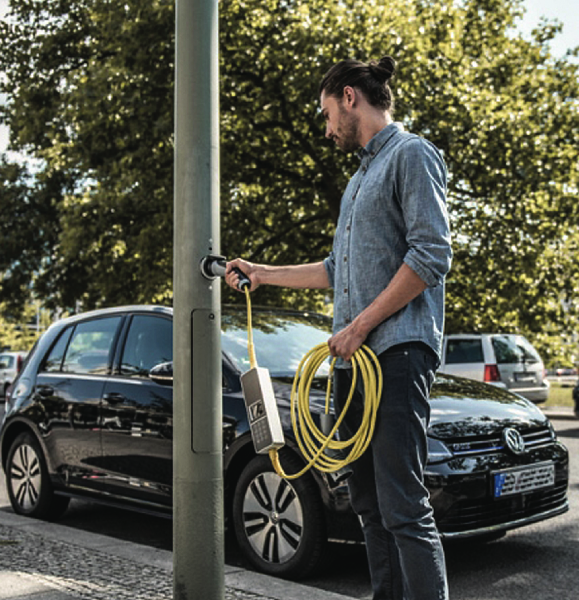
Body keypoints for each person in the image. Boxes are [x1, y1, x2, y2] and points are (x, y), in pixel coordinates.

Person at [226, 57, 451, 600]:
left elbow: (431, 256)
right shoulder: (358, 182)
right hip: (353, 364)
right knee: (368, 504)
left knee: (402, 504)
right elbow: (334, 270)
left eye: (327, 114)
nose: (326, 129)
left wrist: (359, 326)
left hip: (396, 355)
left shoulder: (411, 155)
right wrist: (263, 273)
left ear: (349, 97)